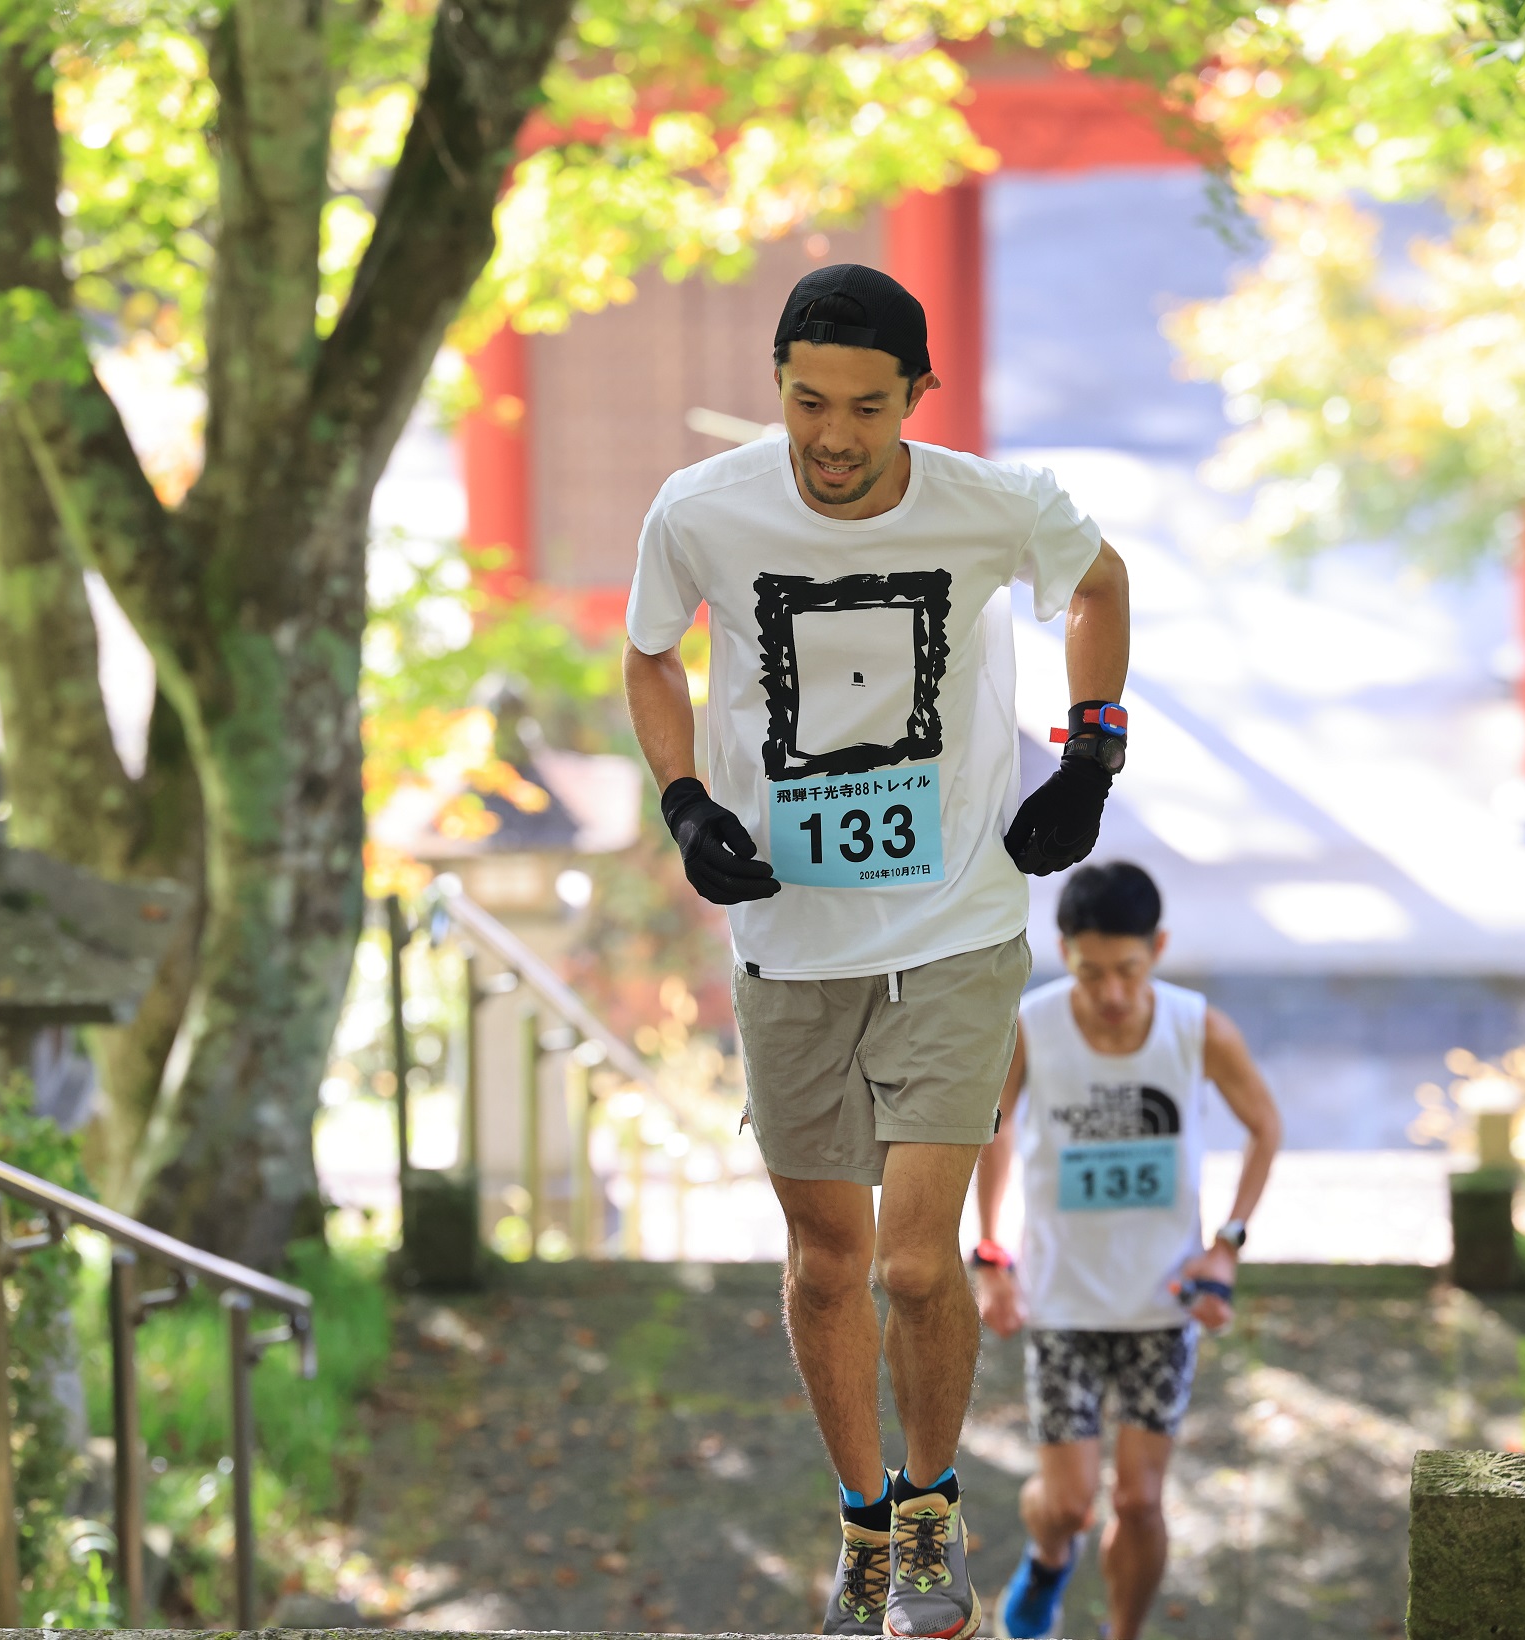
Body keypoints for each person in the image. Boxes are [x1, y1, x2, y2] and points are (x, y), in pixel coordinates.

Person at [622, 261, 1132, 1639]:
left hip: (957, 921)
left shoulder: (991, 504)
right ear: (776, 385)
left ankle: (928, 1508)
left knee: (914, 1261)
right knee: (825, 1260)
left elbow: (1097, 581)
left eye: (864, 406)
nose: (832, 437)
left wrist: (1089, 755)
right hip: (790, 934)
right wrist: (684, 801)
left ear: (916, 395)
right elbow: (650, 655)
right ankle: (860, 1519)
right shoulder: (702, 511)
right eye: (806, 403)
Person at [970, 862, 1283, 1640]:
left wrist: (1227, 1247)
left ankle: (1123, 1634)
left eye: (1129, 970)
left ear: (1159, 949)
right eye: (1091, 971)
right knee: (1069, 1504)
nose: (1111, 992)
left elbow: (1265, 1126)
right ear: (1064, 952)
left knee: (1140, 1501)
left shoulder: (1196, 1028)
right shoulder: (1032, 1026)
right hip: (1062, 1302)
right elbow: (991, 1129)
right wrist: (991, 1254)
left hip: (1161, 1302)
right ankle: (1048, 1558)